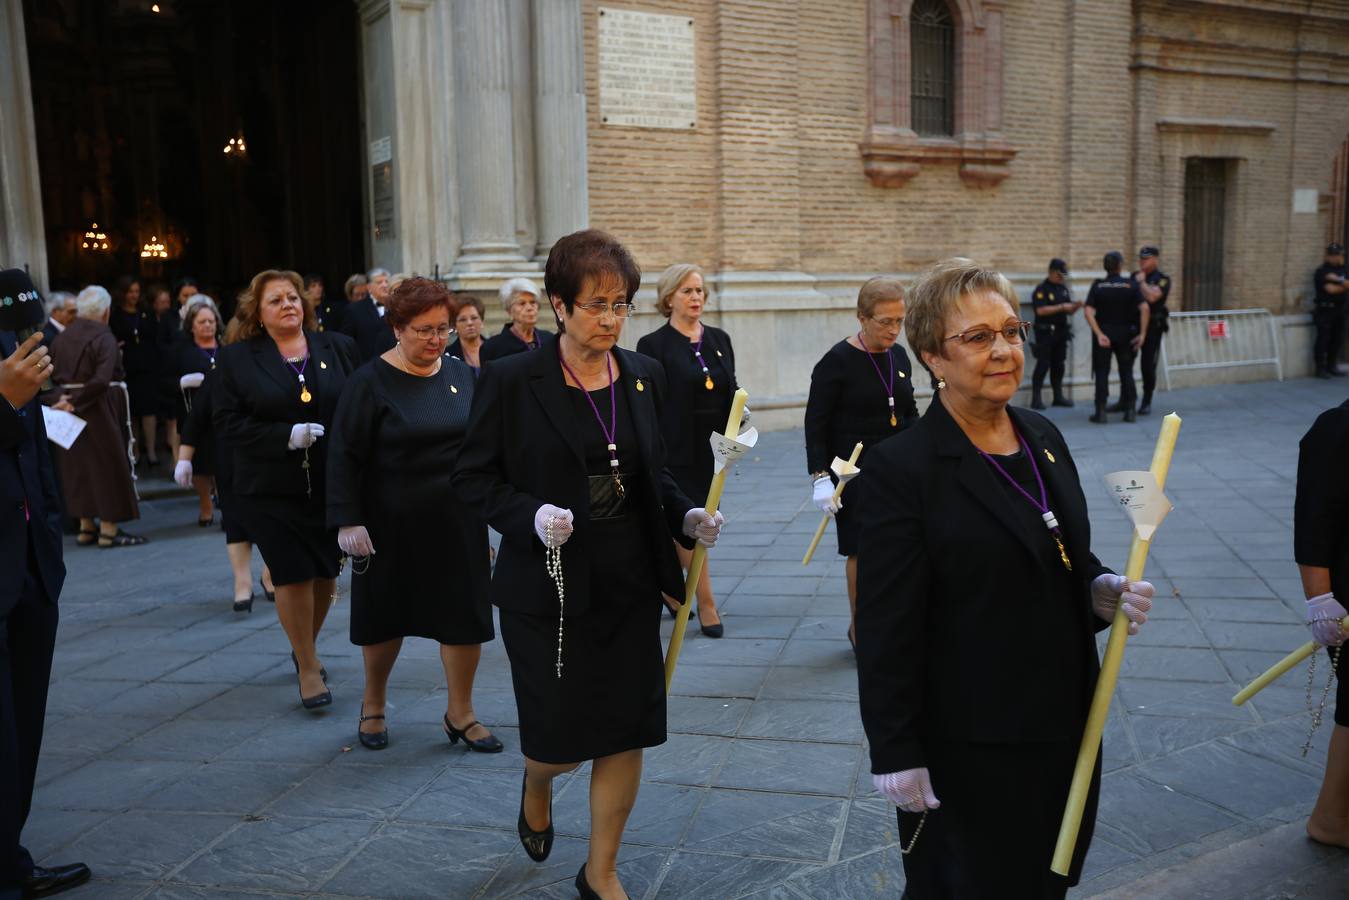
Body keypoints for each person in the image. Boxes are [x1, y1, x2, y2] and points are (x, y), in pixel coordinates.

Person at [855, 257, 1157, 899]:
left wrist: (1098, 591)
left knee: (1044, 882)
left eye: (1012, 331)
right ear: (933, 356)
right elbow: (886, 625)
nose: (1004, 350)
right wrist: (896, 750)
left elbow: (1060, 550)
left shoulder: (1042, 435)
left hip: (1063, 722)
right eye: (978, 337)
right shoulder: (901, 469)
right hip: (969, 742)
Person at [453, 229, 723, 900]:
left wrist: (685, 515)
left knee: (625, 730)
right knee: (560, 741)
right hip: (546, 587)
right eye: (596, 304)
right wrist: (530, 518)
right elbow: (473, 478)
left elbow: (649, 472)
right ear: (557, 305)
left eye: (620, 305)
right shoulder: (513, 378)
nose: (609, 320)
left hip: (629, 577)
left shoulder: (641, 373)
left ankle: (599, 870)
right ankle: (537, 780)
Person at [328, 278, 497, 751]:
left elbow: (484, 447)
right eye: (424, 330)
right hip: (389, 524)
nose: (435, 340)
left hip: (457, 519)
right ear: (397, 327)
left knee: (464, 617)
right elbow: (344, 454)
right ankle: (374, 704)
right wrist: (347, 519)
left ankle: (460, 713)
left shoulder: (463, 375)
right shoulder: (369, 381)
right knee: (385, 616)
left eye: (442, 329)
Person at [214, 270, 358, 708]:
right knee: (292, 573)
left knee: (326, 573)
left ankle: (302, 648)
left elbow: (357, 405)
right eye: (275, 300)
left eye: (293, 298)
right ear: (257, 313)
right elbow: (225, 421)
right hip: (270, 487)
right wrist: (284, 436)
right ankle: (309, 667)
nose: (288, 305)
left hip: (330, 484)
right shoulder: (238, 359)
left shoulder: (337, 347)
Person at [1, 282, 92, 899]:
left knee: (24, 725)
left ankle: (10, 854)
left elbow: (37, 452)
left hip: (32, 571)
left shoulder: (20, 341)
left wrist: (51, 547)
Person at [804, 277, 918, 648]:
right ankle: (861, 626)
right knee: (861, 550)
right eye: (885, 321)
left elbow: (909, 412)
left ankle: (893, 619)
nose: (894, 330)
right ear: (861, 318)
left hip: (896, 470)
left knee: (901, 547)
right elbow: (816, 422)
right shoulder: (836, 362)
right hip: (852, 472)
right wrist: (820, 476)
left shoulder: (898, 356)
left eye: (899, 321)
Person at [636, 263, 737, 637]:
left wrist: (738, 432)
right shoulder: (653, 345)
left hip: (713, 449)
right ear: (668, 298)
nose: (696, 298)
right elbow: (651, 401)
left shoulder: (719, 339)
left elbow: (732, 390)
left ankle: (668, 586)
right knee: (695, 526)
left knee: (693, 522)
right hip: (673, 448)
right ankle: (706, 602)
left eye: (699, 291)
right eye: (687, 291)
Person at [176, 304, 276, 613]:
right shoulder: (223, 369)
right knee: (234, 518)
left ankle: (270, 575)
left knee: (275, 519)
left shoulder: (278, 365)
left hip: (272, 453)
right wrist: (184, 458)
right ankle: (242, 583)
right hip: (232, 455)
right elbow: (198, 416)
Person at [50, 286, 147, 548]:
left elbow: (51, 376)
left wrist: (63, 401)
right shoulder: (104, 337)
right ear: (105, 312)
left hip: (67, 409)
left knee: (78, 469)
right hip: (98, 409)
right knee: (108, 467)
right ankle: (108, 529)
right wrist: (77, 403)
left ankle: (86, 526)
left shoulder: (62, 338)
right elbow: (102, 379)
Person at [1294, 397, 1349, 848]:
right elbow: (1314, 522)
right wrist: (1322, 600)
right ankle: (1331, 821)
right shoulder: (1335, 428)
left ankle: (1334, 818)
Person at [172, 298, 223, 527]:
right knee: (201, 465)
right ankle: (206, 505)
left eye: (211, 321)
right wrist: (181, 382)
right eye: (202, 321)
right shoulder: (182, 352)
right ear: (191, 325)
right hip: (195, 416)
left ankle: (226, 504)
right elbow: (164, 381)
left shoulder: (227, 349)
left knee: (224, 463)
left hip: (224, 416)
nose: (207, 326)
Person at [1083, 251, 1148, 424]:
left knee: (1102, 372)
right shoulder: (1130, 285)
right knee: (1126, 371)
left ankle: (1101, 412)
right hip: (1126, 334)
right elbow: (1145, 308)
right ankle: (1130, 411)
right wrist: (1142, 334)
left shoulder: (1099, 286)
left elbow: (1088, 311)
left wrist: (1099, 334)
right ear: (1120, 265)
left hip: (1104, 334)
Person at [108, 276, 161, 467]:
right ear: (123, 293)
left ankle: (152, 452)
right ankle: (136, 452)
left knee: (149, 411)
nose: (134, 296)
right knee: (133, 413)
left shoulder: (146, 313)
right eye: (130, 292)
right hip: (127, 369)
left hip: (147, 368)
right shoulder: (115, 315)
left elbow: (156, 337)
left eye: (137, 291)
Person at [1029, 258, 1080, 410]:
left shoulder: (1062, 289)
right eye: (1059, 274)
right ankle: (1036, 398)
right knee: (1043, 364)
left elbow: (1068, 308)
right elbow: (1040, 310)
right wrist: (1062, 306)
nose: (1061, 278)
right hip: (1046, 332)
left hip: (1061, 332)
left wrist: (1074, 307)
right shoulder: (1042, 289)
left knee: (1059, 364)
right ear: (1051, 272)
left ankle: (1058, 396)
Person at [1131, 246, 1172, 415]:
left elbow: (1153, 297)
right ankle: (1126, 399)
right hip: (1133, 325)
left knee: (1147, 365)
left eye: (1146, 259)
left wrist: (1141, 283)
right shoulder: (1134, 276)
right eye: (1141, 258)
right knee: (1125, 363)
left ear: (1155, 259)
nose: (1142, 262)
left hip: (1153, 328)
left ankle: (1146, 400)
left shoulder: (1162, 279)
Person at [479, 277, 552, 363]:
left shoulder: (549, 339)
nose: (529, 308)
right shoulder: (492, 347)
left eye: (533, 302)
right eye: (522, 303)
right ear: (509, 311)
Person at [342, 268, 395, 363]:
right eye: (379, 282)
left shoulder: (397, 308)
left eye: (386, 281)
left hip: (393, 366)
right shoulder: (354, 309)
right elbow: (346, 341)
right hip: (365, 366)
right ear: (369, 287)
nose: (384, 285)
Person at [1312, 243, 1347, 379]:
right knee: (1323, 339)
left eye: (1336, 255)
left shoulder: (1344, 270)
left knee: (1337, 339)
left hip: (1340, 310)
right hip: (1325, 310)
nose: (1334, 258)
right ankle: (1320, 368)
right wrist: (1344, 284)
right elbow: (1330, 290)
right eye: (1331, 255)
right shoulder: (1322, 271)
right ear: (1327, 256)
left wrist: (1337, 280)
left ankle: (1332, 366)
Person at [447, 294, 486, 373]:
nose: (469, 323)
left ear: (482, 322)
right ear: (454, 326)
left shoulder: (497, 349)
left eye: (474, 318)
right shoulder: (447, 355)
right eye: (462, 320)